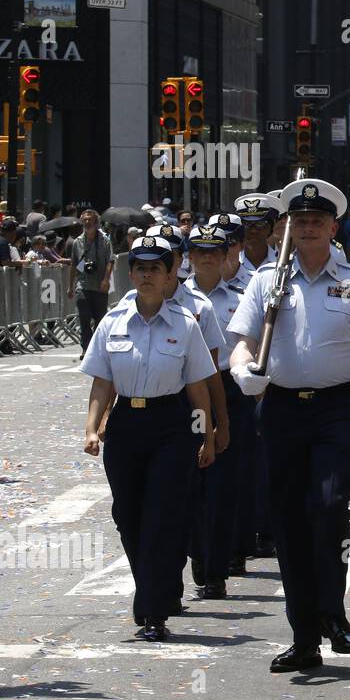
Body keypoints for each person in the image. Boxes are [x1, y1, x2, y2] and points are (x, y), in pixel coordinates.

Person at [227, 180, 350, 673]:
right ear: (287, 228)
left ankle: (333, 609)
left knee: (326, 506)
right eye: (298, 222)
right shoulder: (267, 282)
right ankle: (304, 635)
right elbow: (241, 340)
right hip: (280, 410)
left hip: (335, 411)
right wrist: (242, 371)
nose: (306, 228)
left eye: (315, 222)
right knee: (288, 524)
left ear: (332, 227)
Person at [79, 235, 217, 642]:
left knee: (161, 515)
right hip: (126, 426)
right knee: (128, 515)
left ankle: (153, 609)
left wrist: (205, 436)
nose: (146, 275)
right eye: (139, 268)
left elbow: (197, 388)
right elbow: (102, 384)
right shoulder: (112, 323)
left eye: (155, 268)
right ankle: (156, 587)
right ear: (131, 273)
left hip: (170, 425)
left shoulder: (185, 324)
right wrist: (91, 427)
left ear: (170, 273)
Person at [183, 224, 249, 600]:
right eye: (199, 251)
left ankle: (217, 566)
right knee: (191, 479)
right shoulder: (177, 298)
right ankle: (197, 550)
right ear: (189, 257)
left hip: (229, 388)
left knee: (224, 484)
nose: (207, 257)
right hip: (191, 394)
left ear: (226, 256)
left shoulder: (240, 295)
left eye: (215, 251)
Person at [67, 210, 116, 357]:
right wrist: (70, 285)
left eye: (90, 220)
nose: (87, 223)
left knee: (100, 320)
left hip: (100, 285)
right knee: (84, 318)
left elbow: (110, 261)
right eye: (85, 220)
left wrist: (106, 279)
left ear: (96, 223)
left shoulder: (105, 241)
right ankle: (86, 348)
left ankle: (97, 347)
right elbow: (74, 264)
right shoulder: (77, 242)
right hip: (83, 285)